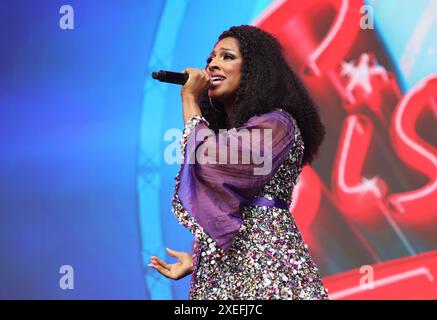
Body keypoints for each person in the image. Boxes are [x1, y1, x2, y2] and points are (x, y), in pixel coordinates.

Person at [148, 25, 329, 300]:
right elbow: (223, 210)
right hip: (223, 275)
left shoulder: (277, 124)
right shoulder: (225, 137)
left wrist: (188, 98)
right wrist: (200, 259)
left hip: (271, 279)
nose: (212, 65)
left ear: (255, 71)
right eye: (210, 59)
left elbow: (210, 160)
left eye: (226, 57)